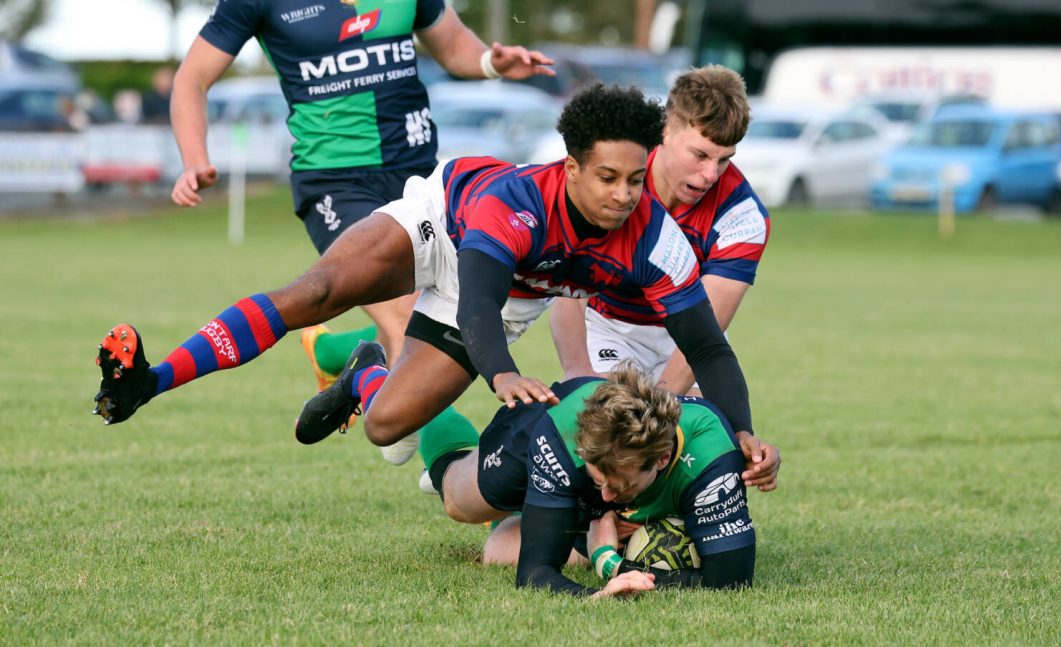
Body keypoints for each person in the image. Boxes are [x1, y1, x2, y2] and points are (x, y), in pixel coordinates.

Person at [92, 84, 775, 491]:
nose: (624, 194)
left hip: (505, 299)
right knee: (322, 285)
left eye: (634, 180)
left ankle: (363, 374)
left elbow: (708, 348)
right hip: (442, 224)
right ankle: (149, 381)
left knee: (386, 426)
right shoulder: (518, 201)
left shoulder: (656, 240)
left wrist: (743, 430)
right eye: (607, 178)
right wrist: (502, 375)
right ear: (570, 168)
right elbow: (476, 294)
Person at [169, 0, 554, 368]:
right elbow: (192, 78)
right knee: (406, 316)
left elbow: (453, 45)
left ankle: (334, 353)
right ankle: (442, 439)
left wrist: (490, 61)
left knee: (445, 308)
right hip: (334, 181)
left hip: (419, 177)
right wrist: (194, 160)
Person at [417, 365, 756, 596]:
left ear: (663, 458)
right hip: (539, 436)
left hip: (585, 492)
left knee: (500, 549)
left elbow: (729, 581)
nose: (608, 497)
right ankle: (424, 415)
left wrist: (608, 560)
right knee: (459, 501)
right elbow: (534, 574)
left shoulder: (711, 453)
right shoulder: (562, 435)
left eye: (621, 486)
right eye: (601, 481)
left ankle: (540, 514)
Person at [550, 66, 772, 413]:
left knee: (702, 441)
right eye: (699, 155)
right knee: (614, 430)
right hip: (611, 327)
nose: (711, 174)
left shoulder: (742, 215)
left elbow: (704, 333)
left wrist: (659, 407)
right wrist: (578, 376)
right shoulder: (616, 179)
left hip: (689, 334)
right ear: (665, 130)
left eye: (724, 160)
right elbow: (568, 296)